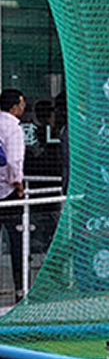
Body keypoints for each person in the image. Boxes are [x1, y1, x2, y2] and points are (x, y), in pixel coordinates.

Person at [0, 89, 27, 303]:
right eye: (22, 103)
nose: (23, 108)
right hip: (7, 192)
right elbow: (13, 160)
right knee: (17, 241)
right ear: (14, 106)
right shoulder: (13, 128)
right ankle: (20, 288)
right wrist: (17, 183)